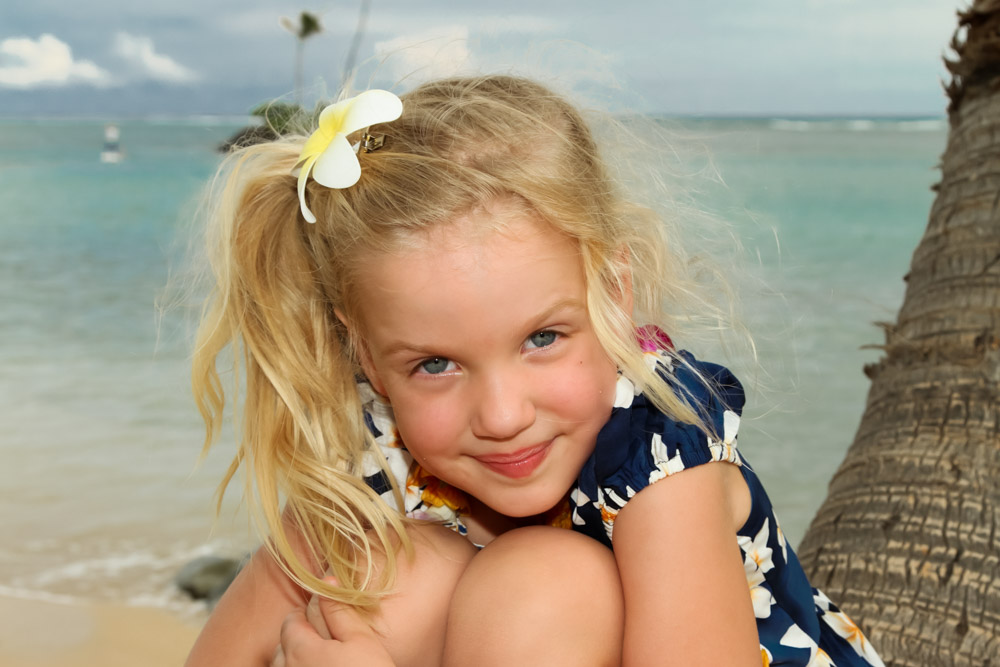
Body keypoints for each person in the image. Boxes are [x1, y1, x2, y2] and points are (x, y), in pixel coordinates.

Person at [184, 75, 884, 666]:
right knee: (383, 575)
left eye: (541, 337)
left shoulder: (661, 460)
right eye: (435, 363)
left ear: (614, 291)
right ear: (364, 351)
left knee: (541, 581)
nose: (501, 414)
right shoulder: (379, 442)